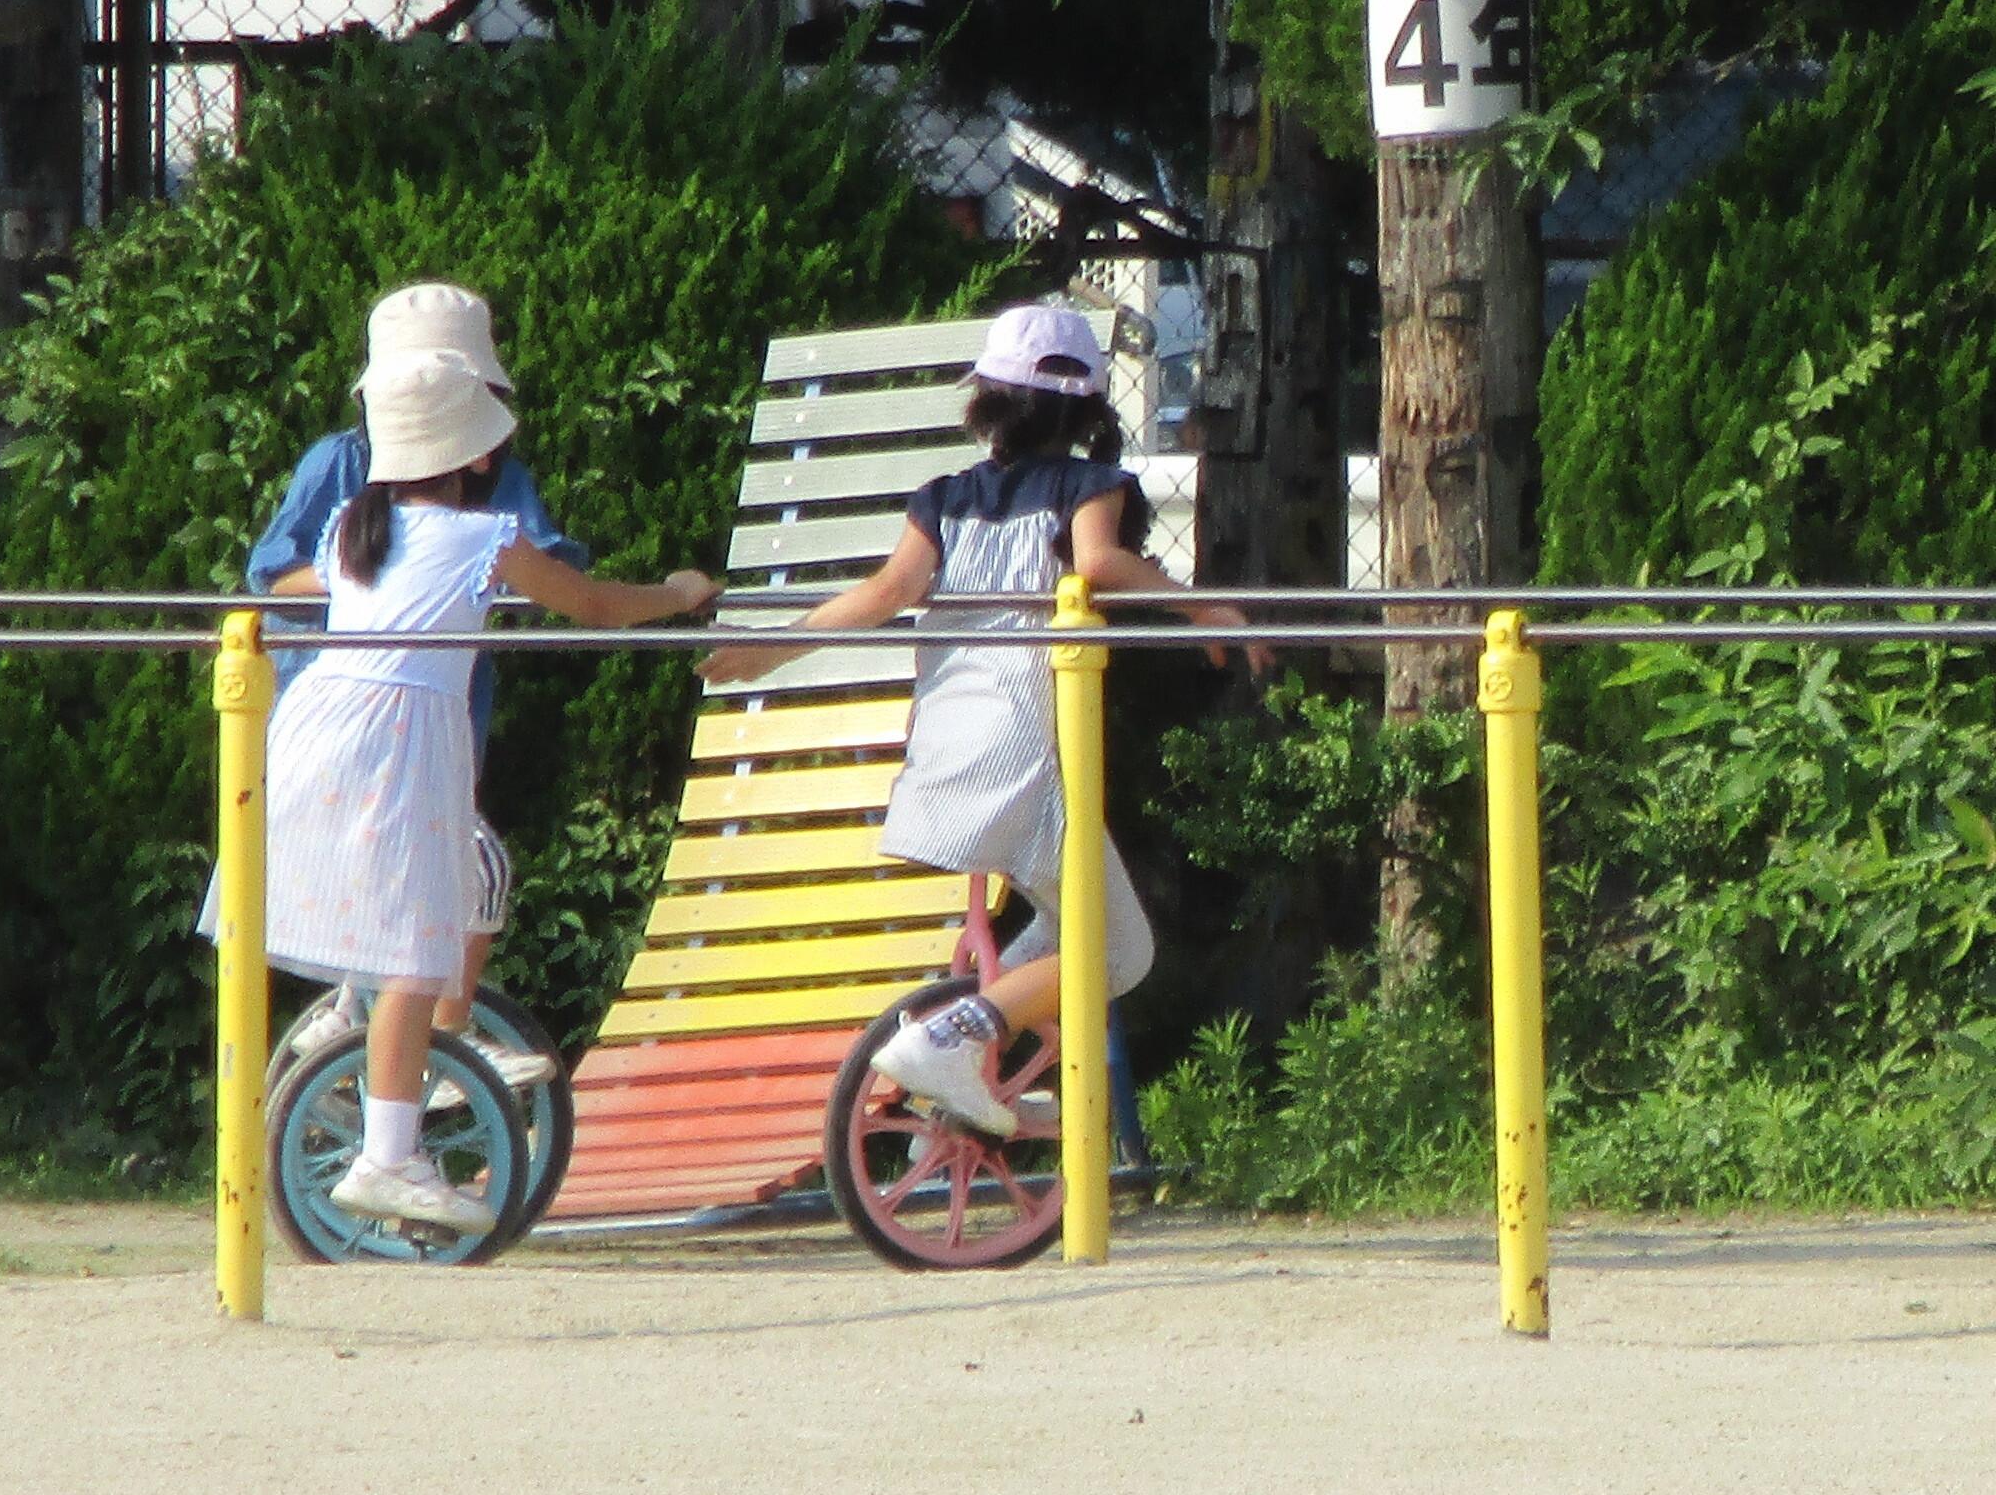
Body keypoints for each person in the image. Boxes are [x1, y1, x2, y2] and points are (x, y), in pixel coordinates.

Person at [703, 303, 1250, 1141]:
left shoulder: (944, 497)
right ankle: (954, 1036)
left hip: (944, 750)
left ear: (987, 402)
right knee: (1119, 951)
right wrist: (1205, 609)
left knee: (1070, 929)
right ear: (1089, 410)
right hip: (1027, 745)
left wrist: (767, 651)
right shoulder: (1089, 486)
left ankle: (970, 1030)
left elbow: (884, 594)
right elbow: (1099, 561)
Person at [222, 349, 718, 1236]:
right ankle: (386, 1155)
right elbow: (593, 605)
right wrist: (677, 594)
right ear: (476, 455)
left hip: (322, 726)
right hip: (397, 739)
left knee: (411, 941)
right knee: (416, 947)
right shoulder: (479, 537)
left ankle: (378, 1103)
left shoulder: (351, 529)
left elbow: (302, 582)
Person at [248, 283, 588, 1087]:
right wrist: (385, 586)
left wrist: (473, 578)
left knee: (424, 888)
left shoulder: (494, 482)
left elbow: (550, 564)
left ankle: (366, 1018)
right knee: (456, 880)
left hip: (440, 711)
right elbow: (272, 572)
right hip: (371, 713)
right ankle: (440, 1043)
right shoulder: (339, 465)